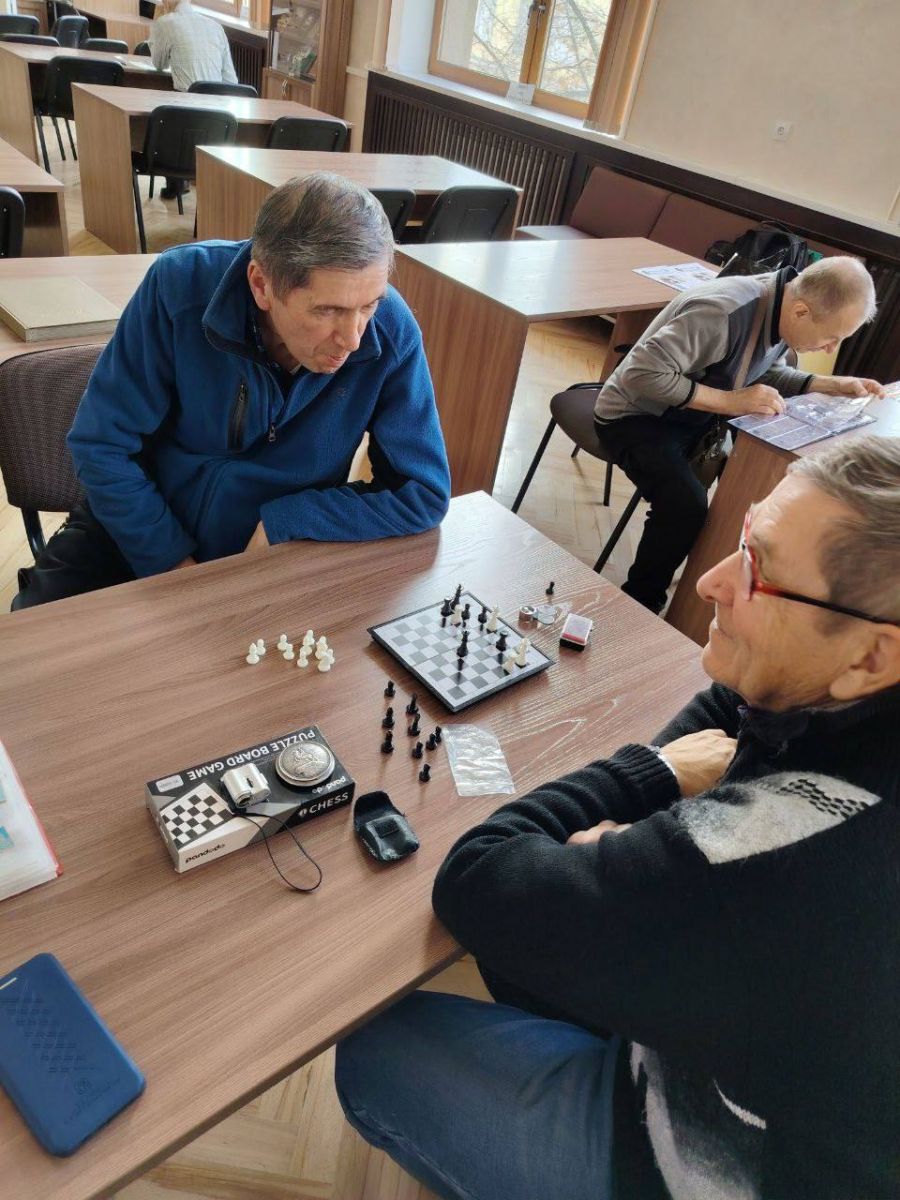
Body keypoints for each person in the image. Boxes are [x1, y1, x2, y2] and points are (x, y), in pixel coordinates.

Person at [334, 435, 900, 1200]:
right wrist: (639, 855)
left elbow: (476, 876)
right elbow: (739, 700)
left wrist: (655, 777)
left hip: (728, 1165)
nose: (712, 581)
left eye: (760, 574)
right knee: (523, 944)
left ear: (869, 657)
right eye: (744, 540)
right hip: (784, 1058)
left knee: (373, 1048)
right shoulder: (854, 691)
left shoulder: (776, 853)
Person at [13, 173, 450, 610]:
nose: (354, 339)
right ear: (261, 285)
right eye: (328, 311)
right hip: (137, 522)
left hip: (272, 550)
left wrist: (292, 519)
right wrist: (172, 565)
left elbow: (423, 493)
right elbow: (101, 443)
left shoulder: (391, 333)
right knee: (36, 638)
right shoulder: (179, 285)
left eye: (369, 305)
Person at [593, 255, 883, 613]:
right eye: (831, 338)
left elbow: (761, 372)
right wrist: (731, 402)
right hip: (634, 415)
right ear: (802, 312)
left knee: (752, 485)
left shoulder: (783, 306)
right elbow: (640, 375)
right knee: (685, 506)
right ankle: (639, 605)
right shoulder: (723, 312)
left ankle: (709, 596)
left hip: (692, 416)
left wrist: (828, 384)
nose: (830, 349)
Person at [149, 0, 239, 198]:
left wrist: (155, 30)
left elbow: (158, 63)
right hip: (218, 116)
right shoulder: (216, 26)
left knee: (166, 105)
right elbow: (231, 81)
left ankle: (176, 181)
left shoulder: (165, 22)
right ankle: (184, 182)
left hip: (184, 114)